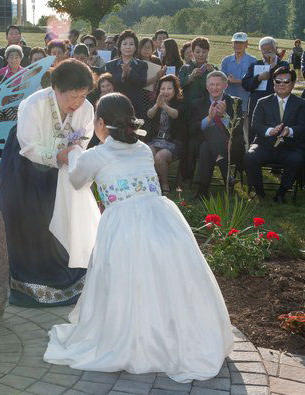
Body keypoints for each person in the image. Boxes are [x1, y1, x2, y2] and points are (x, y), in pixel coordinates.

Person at [43, 92, 233, 383]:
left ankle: (133, 337)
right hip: (161, 217)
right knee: (164, 277)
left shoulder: (95, 155)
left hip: (124, 223)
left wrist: (76, 152)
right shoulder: (144, 148)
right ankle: (169, 332)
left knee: (126, 278)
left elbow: (77, 180)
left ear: (101, 123)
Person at [0, 59, 97, 307]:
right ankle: (30, 284)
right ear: (56, 88)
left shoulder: (85, 108)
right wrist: (56, 156)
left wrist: (70, 155)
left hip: (61, 167)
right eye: (72, 96)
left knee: (61, 213)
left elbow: (82, 139)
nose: (76, 103)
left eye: (82, 96)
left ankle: (67, 273)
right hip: (25, 164)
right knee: (30, 219)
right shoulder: (33, 105)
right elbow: (29, 146)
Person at [245, 67, 305, 203]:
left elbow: (303, 126)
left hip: (290, 147)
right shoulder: (262, 102)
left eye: (286, 81)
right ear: (273, 83)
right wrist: (269, 131)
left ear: (293, 83)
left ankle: (281, 193)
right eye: (278, 81)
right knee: (250, 156)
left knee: (296, 159)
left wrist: (289, 131)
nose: (282, 84)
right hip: (264, 145)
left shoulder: (301, 104)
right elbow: (256, 125)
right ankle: (259, 192)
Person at [191, 71, 243, 199]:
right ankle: (227, 175)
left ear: (225, 85)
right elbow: (193, 129)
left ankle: (202, 190)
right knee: (206, 145)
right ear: (207, 86)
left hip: (230, 144)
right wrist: (209, 118)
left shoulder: (235, 102)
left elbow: (237, 129)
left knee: (207, 145)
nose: (214, 88)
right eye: (211, 84)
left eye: (218, 85)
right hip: (204, 144)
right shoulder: (197, 103)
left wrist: (224, 115)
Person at [179, 37, 217, 182]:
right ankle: (186, 174)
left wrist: (212, 72)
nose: (201, 55)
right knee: (187, 142)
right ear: (192, 53)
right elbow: (178, 85)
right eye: (198, 51)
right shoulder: (186, 68)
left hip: (206, 111)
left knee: (203, 141)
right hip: (188, 111)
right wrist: (190, 77)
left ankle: (204, 173)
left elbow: (218, 87)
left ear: (208, 52)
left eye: (204, 51)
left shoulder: (212, 68)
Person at [242, 36, 289, 143]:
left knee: (276, 130)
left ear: (275, 49)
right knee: (255, 131)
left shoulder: (283, 64)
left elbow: (285, 82)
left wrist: (272, 67)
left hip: (276, 104)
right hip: (257, 104)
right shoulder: (255, 65)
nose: (267, 52)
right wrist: (258, 78)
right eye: (264, 50)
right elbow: (245, 84)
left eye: (270, 50)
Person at [146, 74, 186, 193]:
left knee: (160, 157)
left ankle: (164, 184)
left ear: (175, 90)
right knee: (147, 152)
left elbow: (175, 114)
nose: (165, 91)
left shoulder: (180, 103)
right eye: (163, 89)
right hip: (156, 140)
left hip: (173, 141)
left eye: (169, 88)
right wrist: (157, 105)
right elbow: (149, 114)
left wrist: (164, 106)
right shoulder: (156, 101)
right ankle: (153, 181)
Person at [221, 32, 257, 147]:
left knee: (245, 130)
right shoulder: (226, 60)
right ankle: (228, 155)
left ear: (246, 44)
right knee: (227, 129)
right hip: (228, 101)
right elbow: (221, 80)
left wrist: (238, 81)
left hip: (245, 100)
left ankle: (245, 156)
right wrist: (227, 80)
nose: (238, 45)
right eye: (236, 42)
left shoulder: (253, 60)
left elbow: (253, 82)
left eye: (241, 43)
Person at [105, 30, 148, 122]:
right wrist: (122, 75)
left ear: (136, 47)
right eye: (125, 44)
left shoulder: (142, 65)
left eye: (131, 44)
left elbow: (142, 82)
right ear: (119, 46)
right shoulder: (110, 65)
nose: (128, 47)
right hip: (115, 105)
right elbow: (109, 83)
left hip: (135, 106)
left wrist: (130, 73)